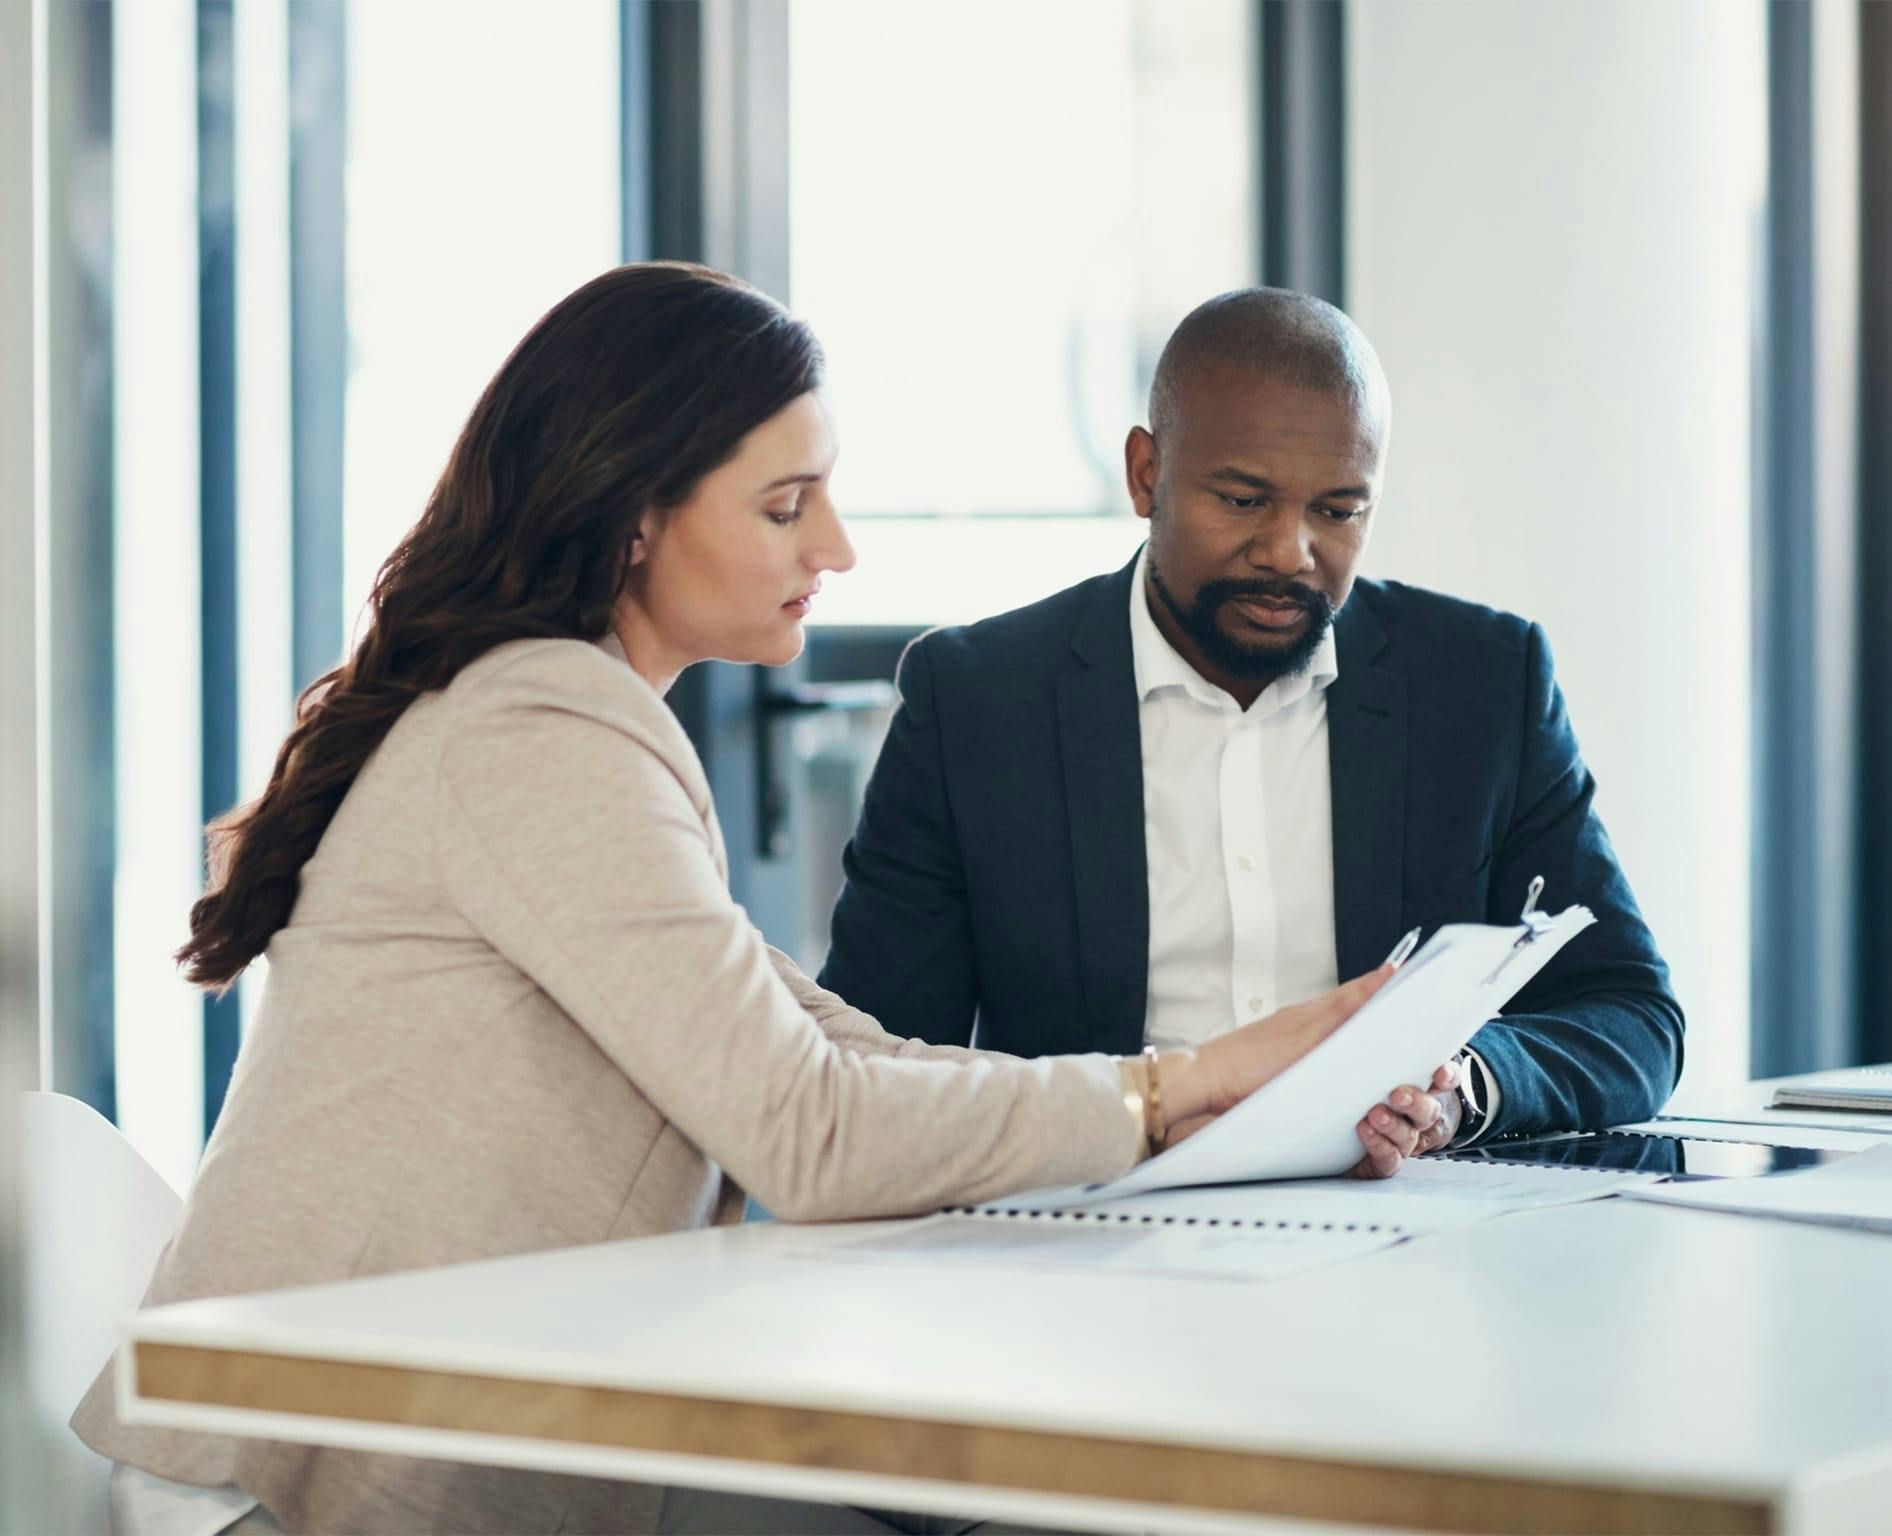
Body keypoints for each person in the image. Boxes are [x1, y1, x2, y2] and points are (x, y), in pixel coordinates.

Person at [73, 265, 1442, 1536]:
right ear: (633, 517)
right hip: (310, 1494)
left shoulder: (573, 724)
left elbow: (834, 1048)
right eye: (787, 506)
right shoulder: (538, 734)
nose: (835, 547)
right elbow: (808, 1132)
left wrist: (1193, 1095)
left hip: (411, 1452)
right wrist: (1164, 1092)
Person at [821, 288, 1684, 1149]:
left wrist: (1463, 1085)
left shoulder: (1484, 685)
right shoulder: (979, 701)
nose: (1289, 552)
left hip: (1405, 1243)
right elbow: (872, 1069)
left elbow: (1632, 1017)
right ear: (1146, 475)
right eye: (1242, 501)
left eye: (1338, 511)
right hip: (1084, 1235)